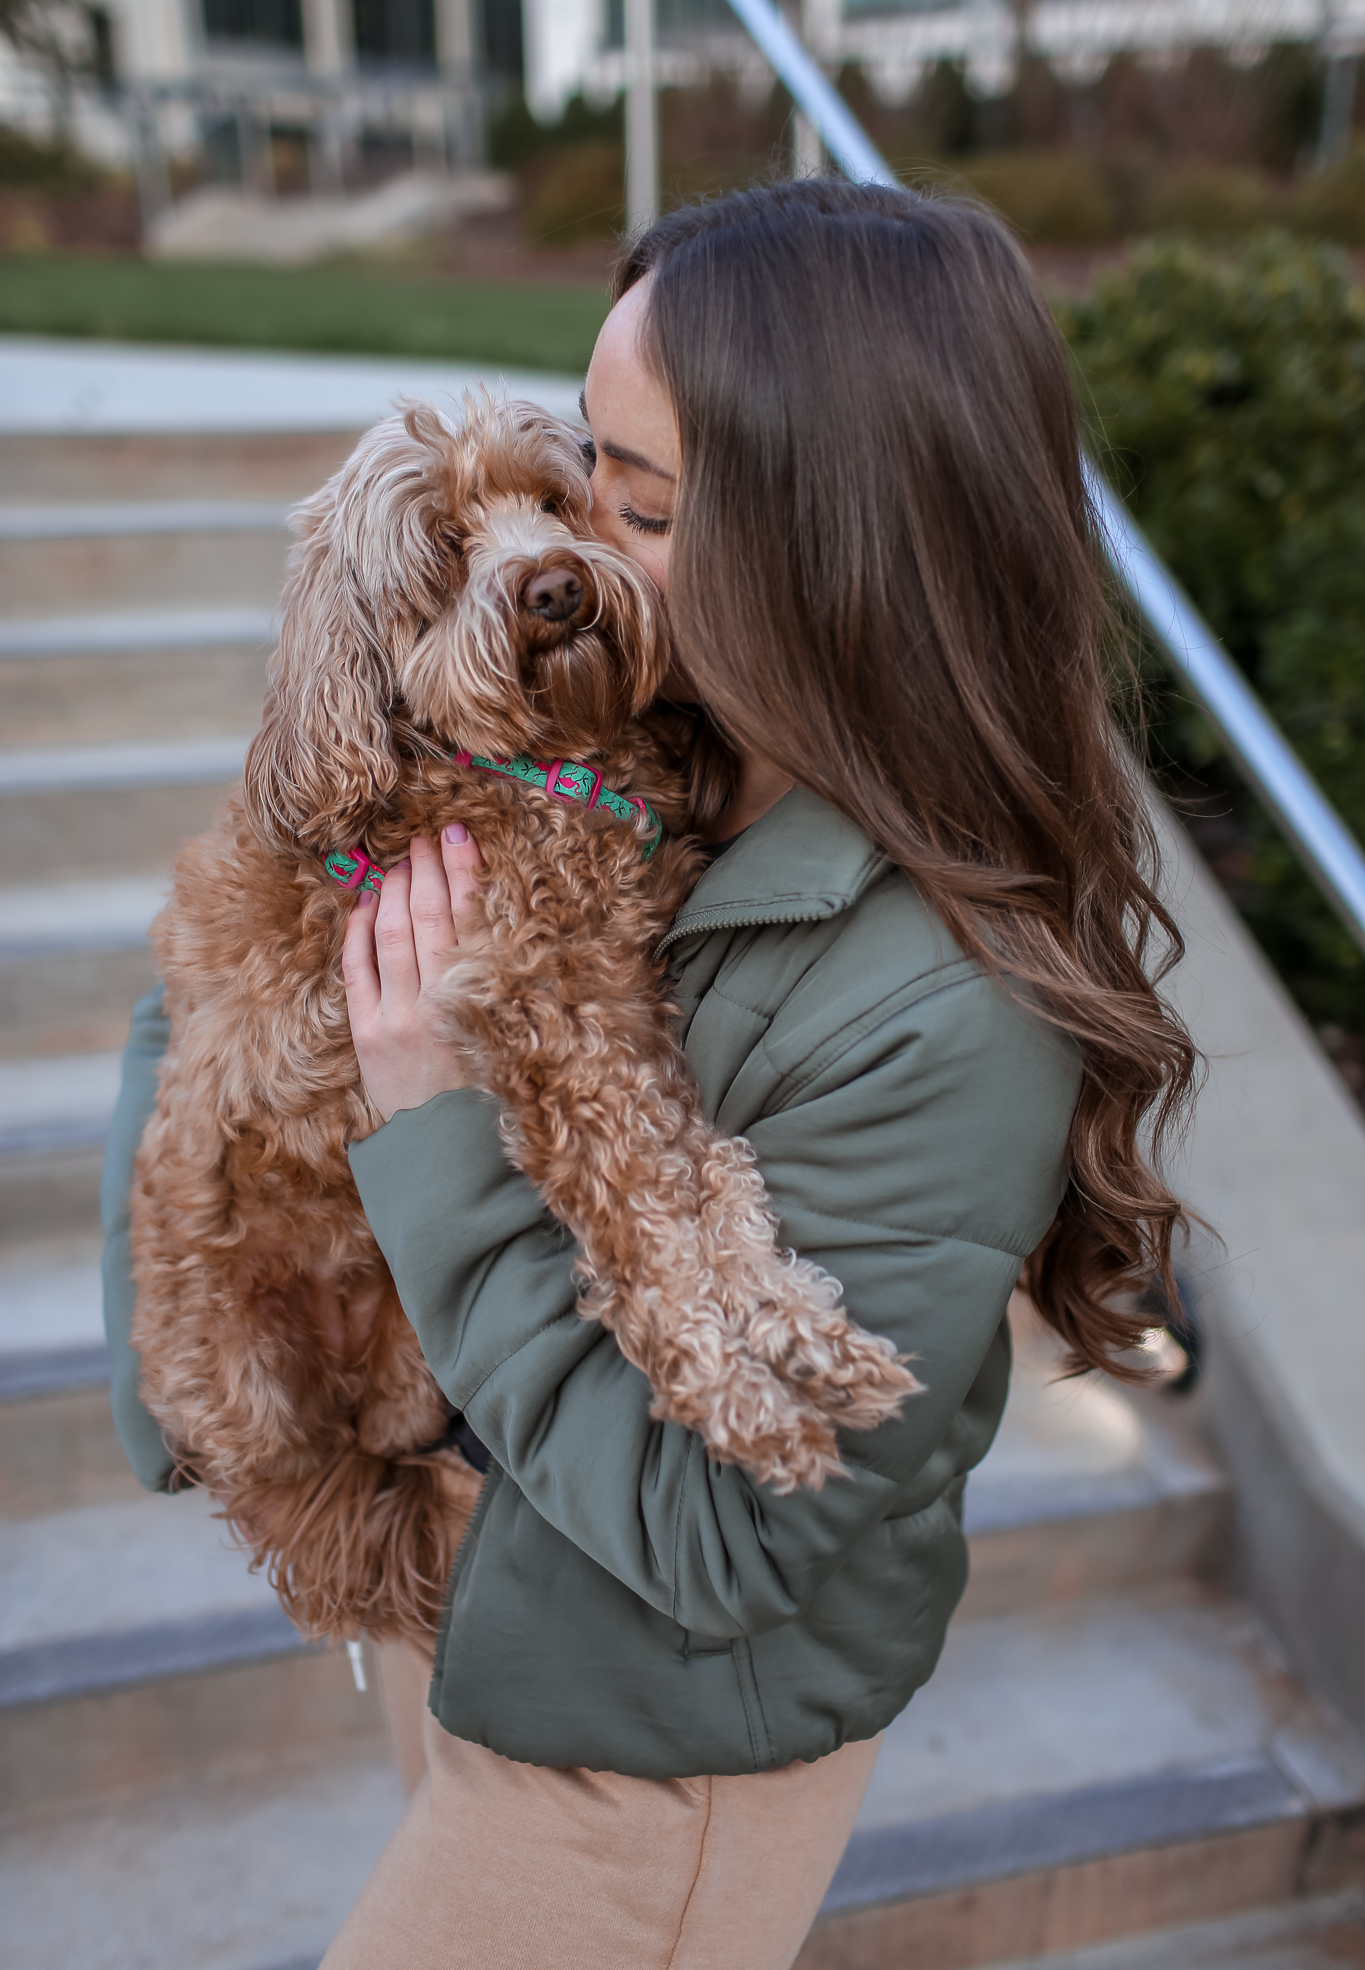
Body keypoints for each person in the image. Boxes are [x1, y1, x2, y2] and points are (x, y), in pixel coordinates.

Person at [101, 179, 1198, 1969]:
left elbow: (719, 1538)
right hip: (467, 1593)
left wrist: (431, 1125)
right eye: (582, 454)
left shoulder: (946, 1006)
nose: (568, 537)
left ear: (828, 539)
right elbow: (216, 956)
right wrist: (196, 1397)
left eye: (636, 494)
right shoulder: (602, 736)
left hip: (649, 1755)